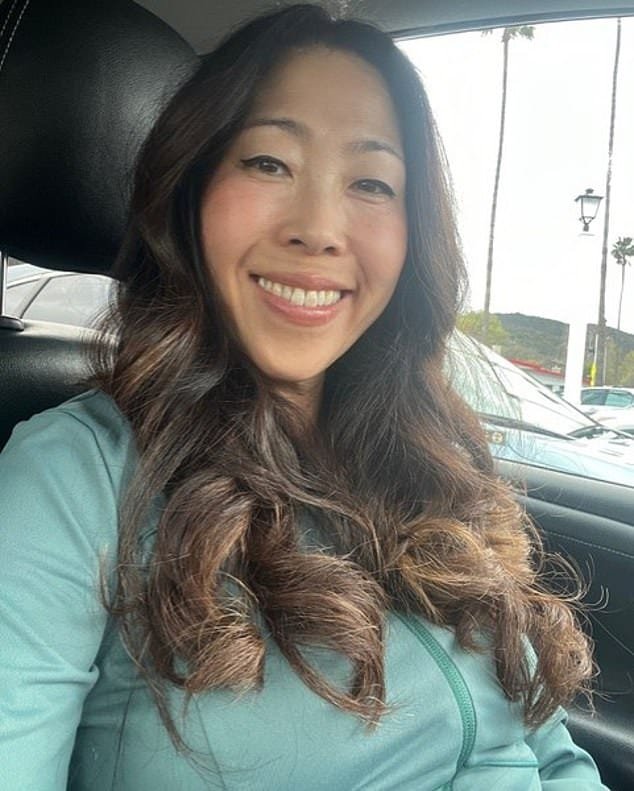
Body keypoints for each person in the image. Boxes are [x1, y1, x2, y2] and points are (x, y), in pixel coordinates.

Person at [0, 5, 609, 789]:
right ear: (191, 192)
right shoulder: (70, 479)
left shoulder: (436, 456)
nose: (320, 227)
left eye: (371, 182)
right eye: (269, 163)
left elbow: (550, 752)